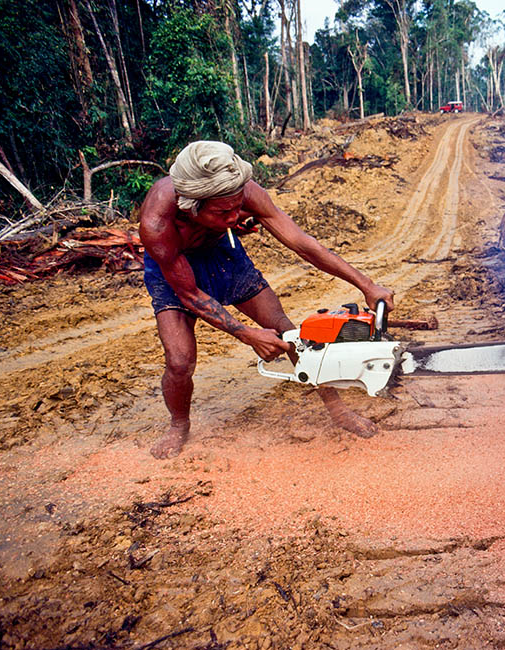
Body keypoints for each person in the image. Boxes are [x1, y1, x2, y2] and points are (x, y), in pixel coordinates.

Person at [139, 140, 394, 458]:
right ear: (192, 205)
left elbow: (302, 244)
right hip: (174, 268)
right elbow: (189, 293)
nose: (236, 216)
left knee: (292, 336)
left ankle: (338, 411)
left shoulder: (244, 192)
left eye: (238, 206)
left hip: (224, 256)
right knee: (179, 361)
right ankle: (179, 425)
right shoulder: (157, 223)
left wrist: (366, 284)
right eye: (223, 212)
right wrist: (245, 334)